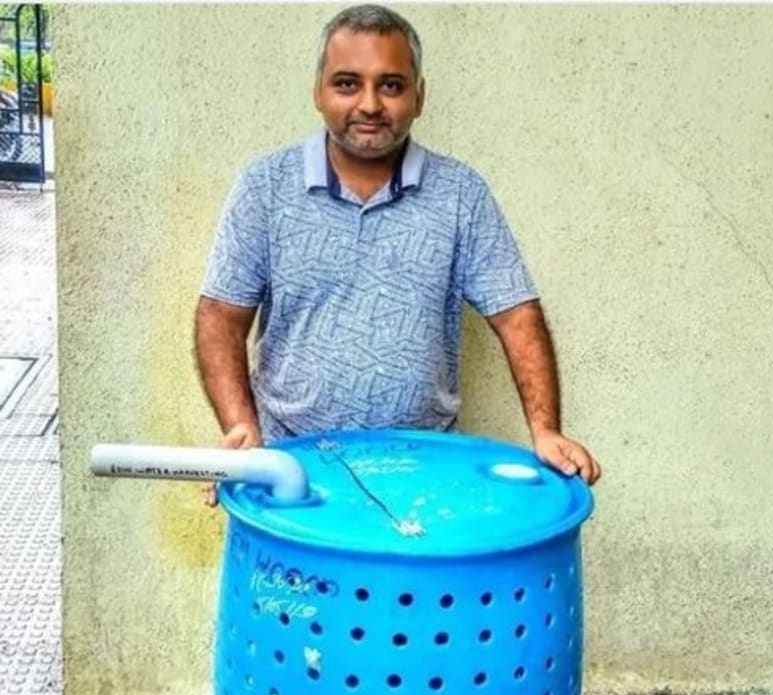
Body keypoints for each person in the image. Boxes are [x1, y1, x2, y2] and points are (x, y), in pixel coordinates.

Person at [196, 4, 601, 505]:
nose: (369, 104)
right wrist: (241, 431)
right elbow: (220, 318)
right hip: (292, 475)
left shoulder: (460, 194)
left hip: (424, 476)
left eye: (391, 85)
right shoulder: (265, 188)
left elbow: (518, 316)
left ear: (419, 96)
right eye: (347, 83)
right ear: (317, 92)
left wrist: (545, 430)